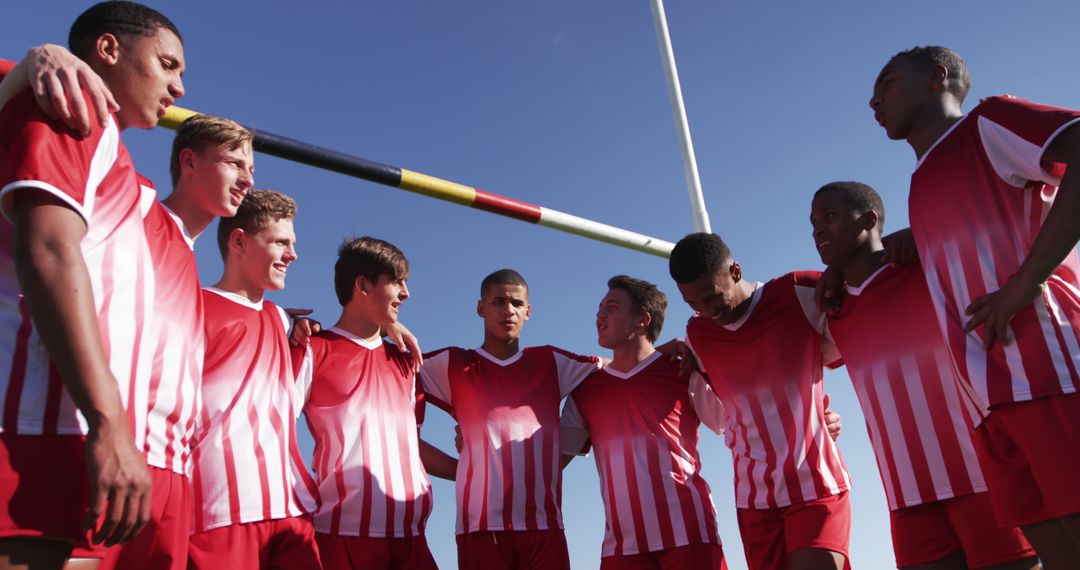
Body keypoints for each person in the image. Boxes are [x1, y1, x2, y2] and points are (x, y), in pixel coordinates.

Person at [869, 45, 1080, 565]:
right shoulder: (920, 183)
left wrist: (1027, 281)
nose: (873, 101)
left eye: (888, 83)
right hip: (986, 400)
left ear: (937, 77)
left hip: (1049, 370)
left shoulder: (987, 123)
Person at [0, 2, 183, 567]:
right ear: (108, 50)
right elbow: (49, 251)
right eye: (168, 64)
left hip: (68, 430)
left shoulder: (118, 160)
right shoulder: (71, 103)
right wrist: (111, 421)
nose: (179, 86)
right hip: (28, 427)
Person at [811, 181, 1038, 569]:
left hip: (981, 473)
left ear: (869, 220)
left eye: (829, 217)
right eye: (813, 222)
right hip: (907, 494)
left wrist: (925, 235)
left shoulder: (930, 267)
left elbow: (995, 229)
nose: (818, 230)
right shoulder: (831, 307)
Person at [668, 233, 851, 570]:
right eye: (693, 303)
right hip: (754, 499)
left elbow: (860, 318)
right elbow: (722, 417)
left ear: (735, 271)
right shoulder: (698, 335)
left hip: (814, 482)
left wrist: (843, 270)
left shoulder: (800, 292)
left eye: (712, 296)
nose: (706, 310)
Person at [418, 269, 602, 570]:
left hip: (545, 527)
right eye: (498, 301)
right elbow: (387, 365)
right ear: (481, 308)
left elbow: (613, 368)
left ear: (528, 312)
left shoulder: (550, 362)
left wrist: (666, 350)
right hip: (480, 528)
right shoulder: (453, 364)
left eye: (516, 303)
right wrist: (466, 469)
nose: (508, 310)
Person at [294, 237, 453, 570]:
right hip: (341, 539)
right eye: (396, 282)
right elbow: (273, 429)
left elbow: (411, 445)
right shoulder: (312, 350)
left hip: (412, 540)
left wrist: (472, 471)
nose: (405, 293)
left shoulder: (406, 363)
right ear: (362, 285)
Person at [187, 189, 322, 569]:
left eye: (292, 243)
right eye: (281, 242)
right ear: (239, 241)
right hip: (219, 508)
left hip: (291, 507)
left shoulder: (284, 321)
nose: (293, 254)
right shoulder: (191, 306)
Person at [559, 275, 728, 570]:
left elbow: (734, 420)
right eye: (599, 308)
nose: (600, 315)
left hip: (689, 534)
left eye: (611, 307)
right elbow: (553, 460)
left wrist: (823, 418)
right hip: (622, 547)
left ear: (642, 320)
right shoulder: (585, 389)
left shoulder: (681, 369)